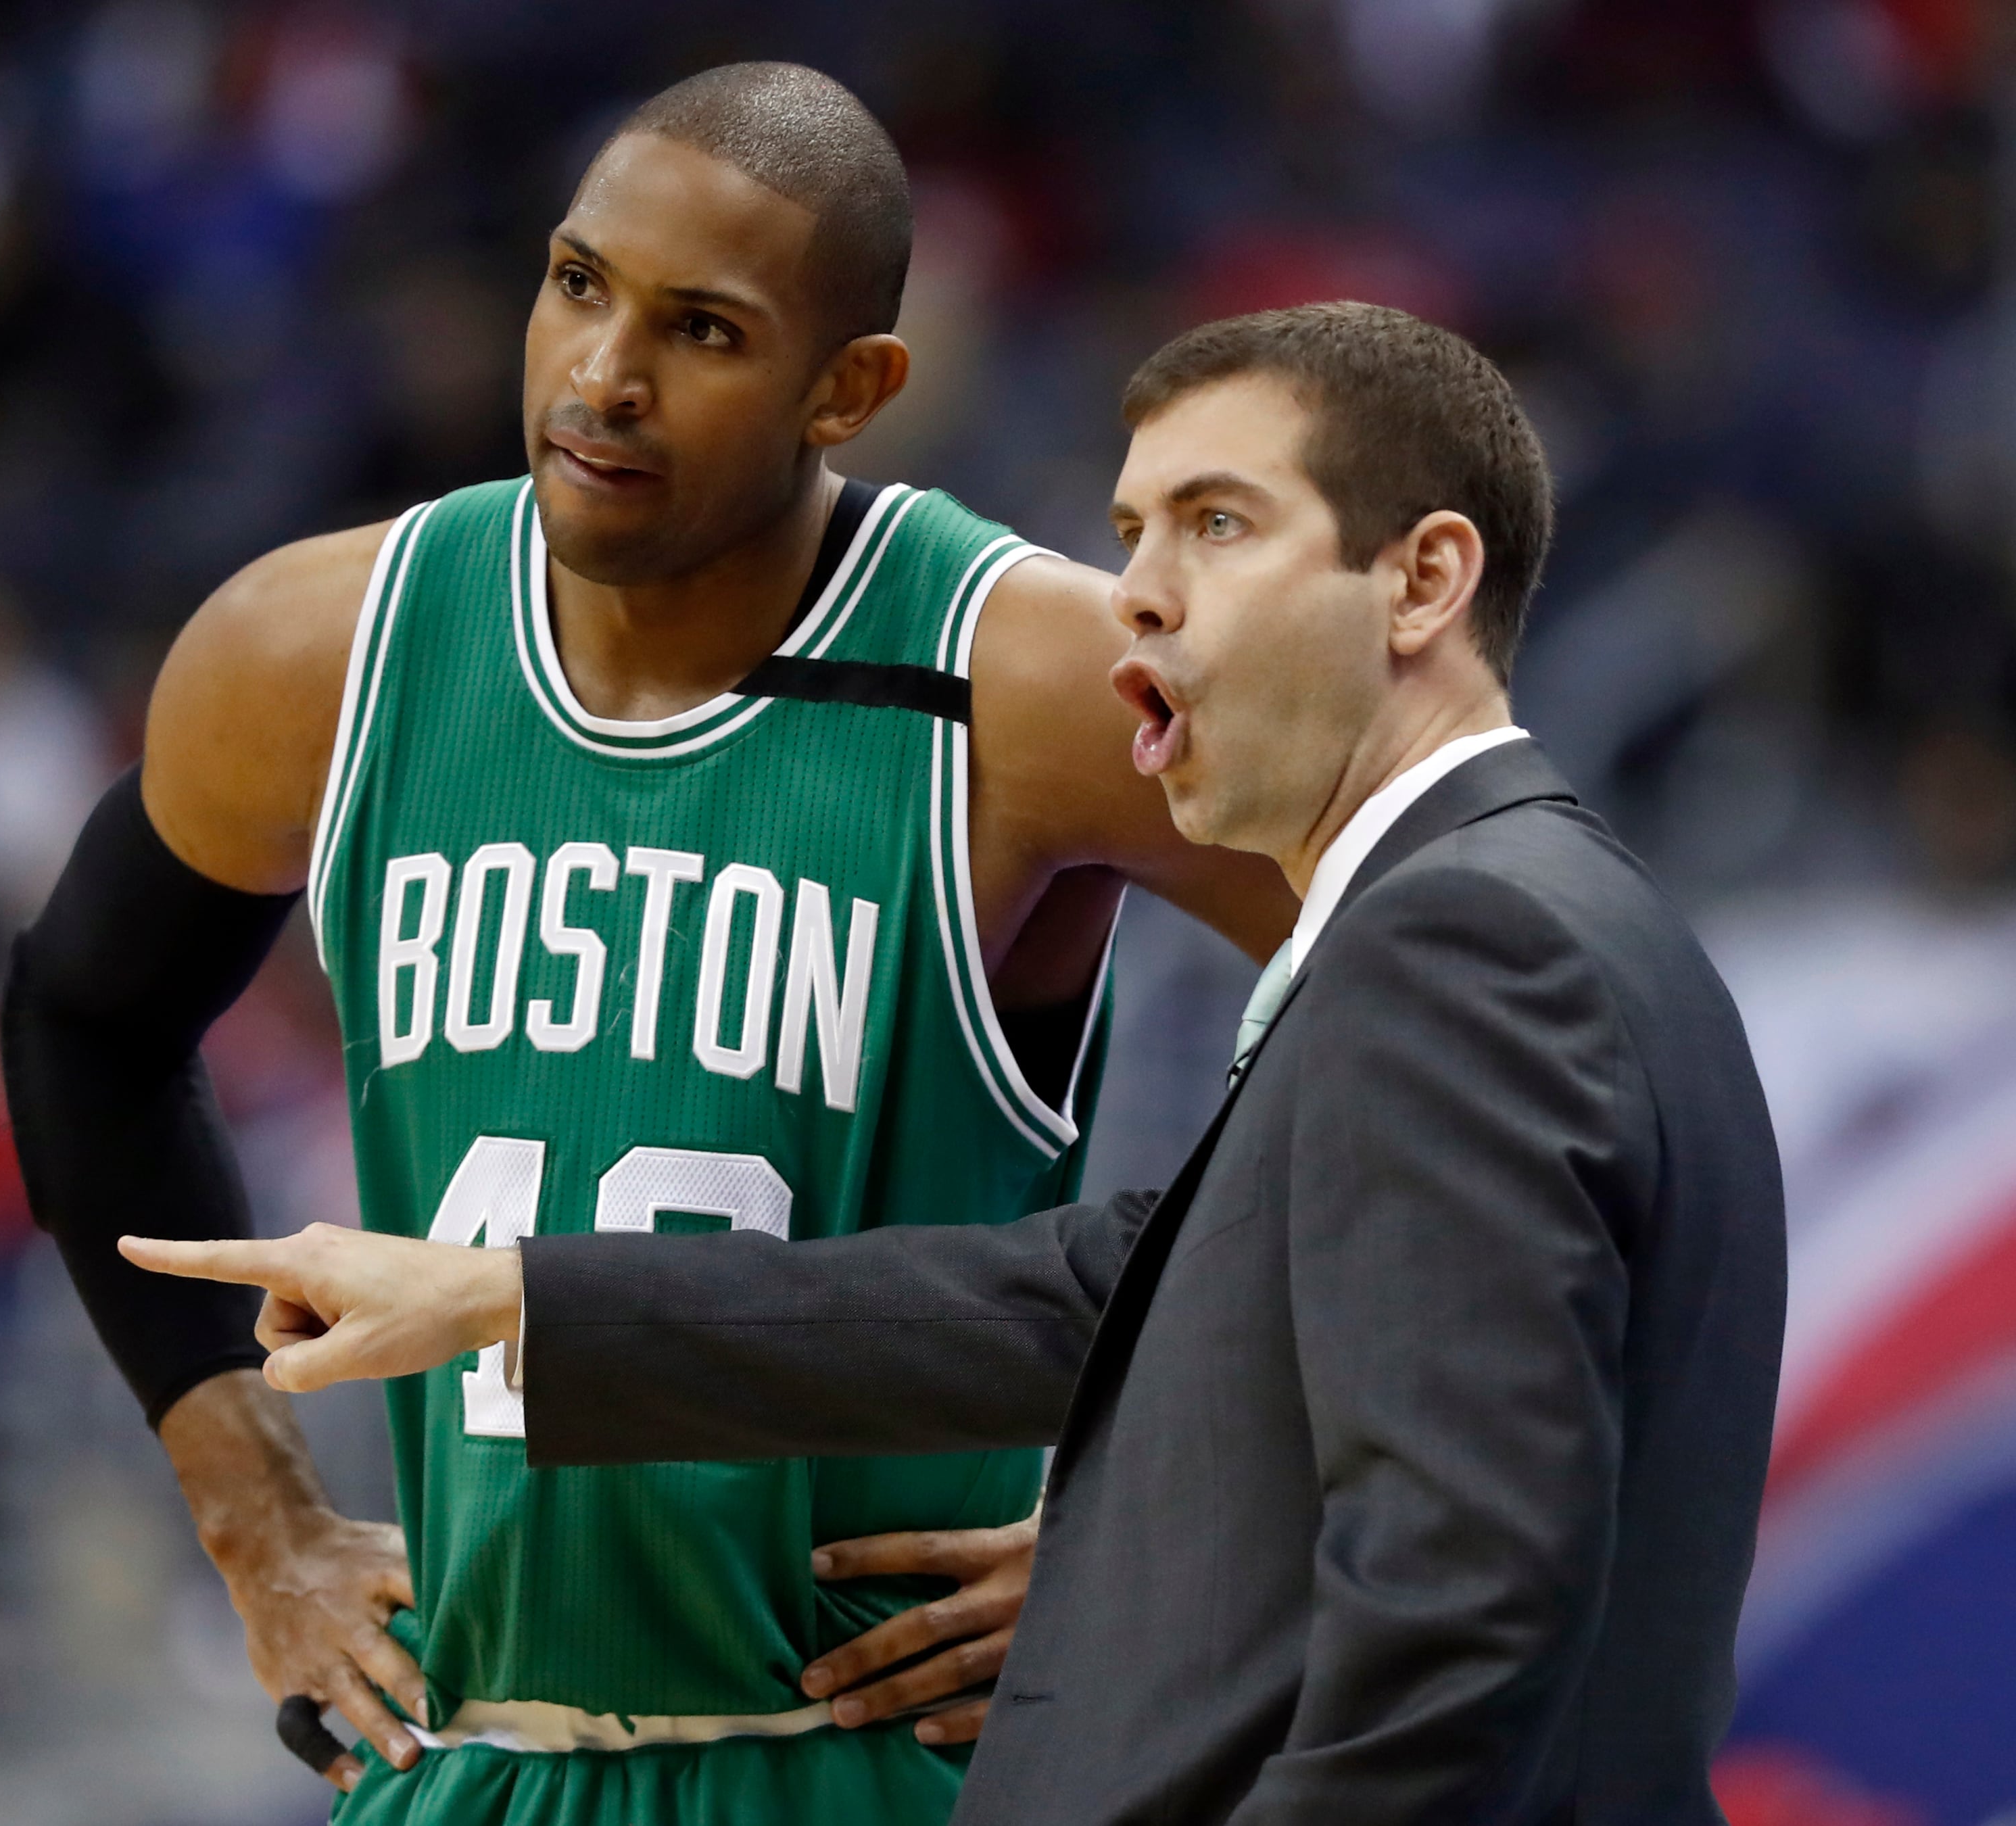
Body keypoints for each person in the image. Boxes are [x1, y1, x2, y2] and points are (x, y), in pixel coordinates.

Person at [126, 302, 1789, 1825]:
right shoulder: (1542, 913)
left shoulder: (1461, 948)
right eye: (1131, 529)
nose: (1138, 587)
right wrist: (520, 1302)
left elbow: (1458, 1616)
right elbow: (1107, 1293)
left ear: (1423, 580)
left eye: (1218, 523)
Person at [3, 62, 1291, 1823]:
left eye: (701, 329)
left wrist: (1177, 1514)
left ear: (853, 387)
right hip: (476, 1753)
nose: (604, 376)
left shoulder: (1032, 674)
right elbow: (81, 1022)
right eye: (578, 284)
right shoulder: (322, 648)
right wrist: (258, 1508)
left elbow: (1452, 1032)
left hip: (875, 1762)